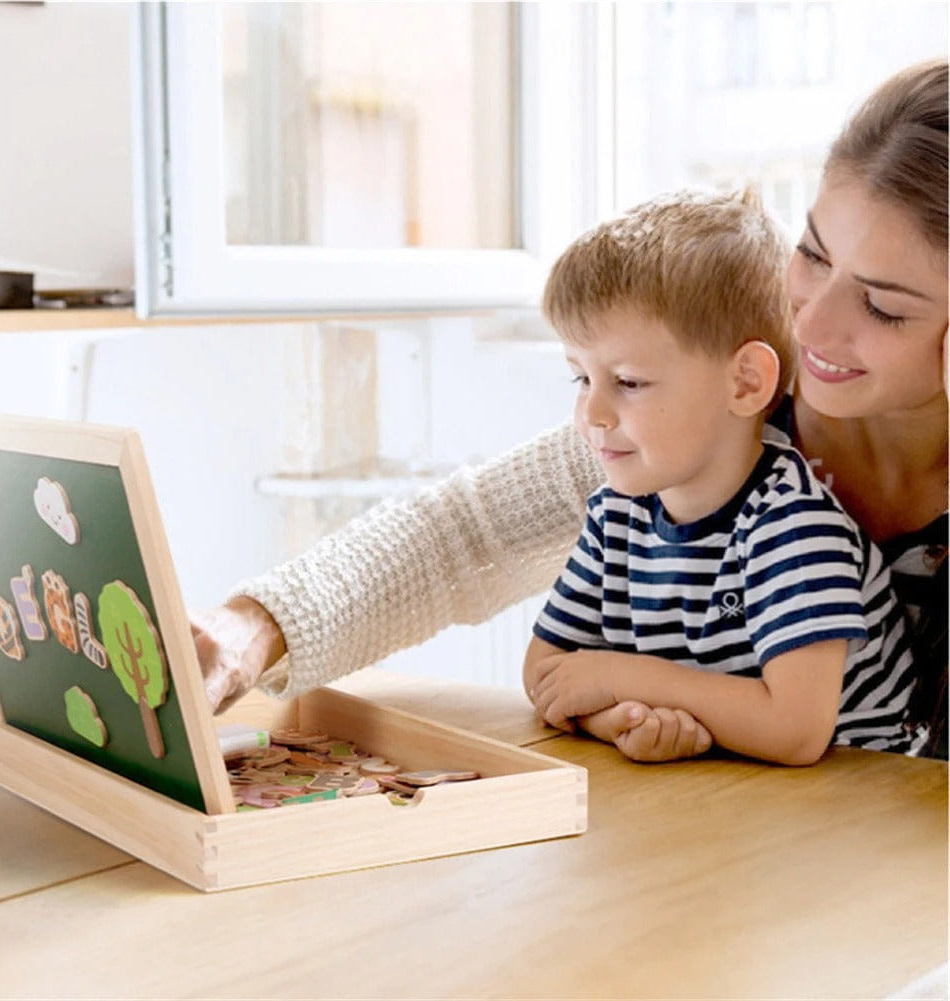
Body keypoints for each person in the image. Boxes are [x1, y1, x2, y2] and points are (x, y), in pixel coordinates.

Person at [192, 59, 947, 761]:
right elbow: (460, 537)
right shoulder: (726, 407)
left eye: (881, 307)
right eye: (812, 255)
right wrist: (251, 628)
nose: (808, 325)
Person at [522, 187, 917, 764]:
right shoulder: (616, 517)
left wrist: (619, 675)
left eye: (628, 382)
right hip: (741, 800)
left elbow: (795, 730)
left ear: (745, 383)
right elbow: (549, 673)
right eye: (580, 378)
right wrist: (620, 717)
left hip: (862, 808)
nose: (592, 414)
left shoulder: (795, 529)